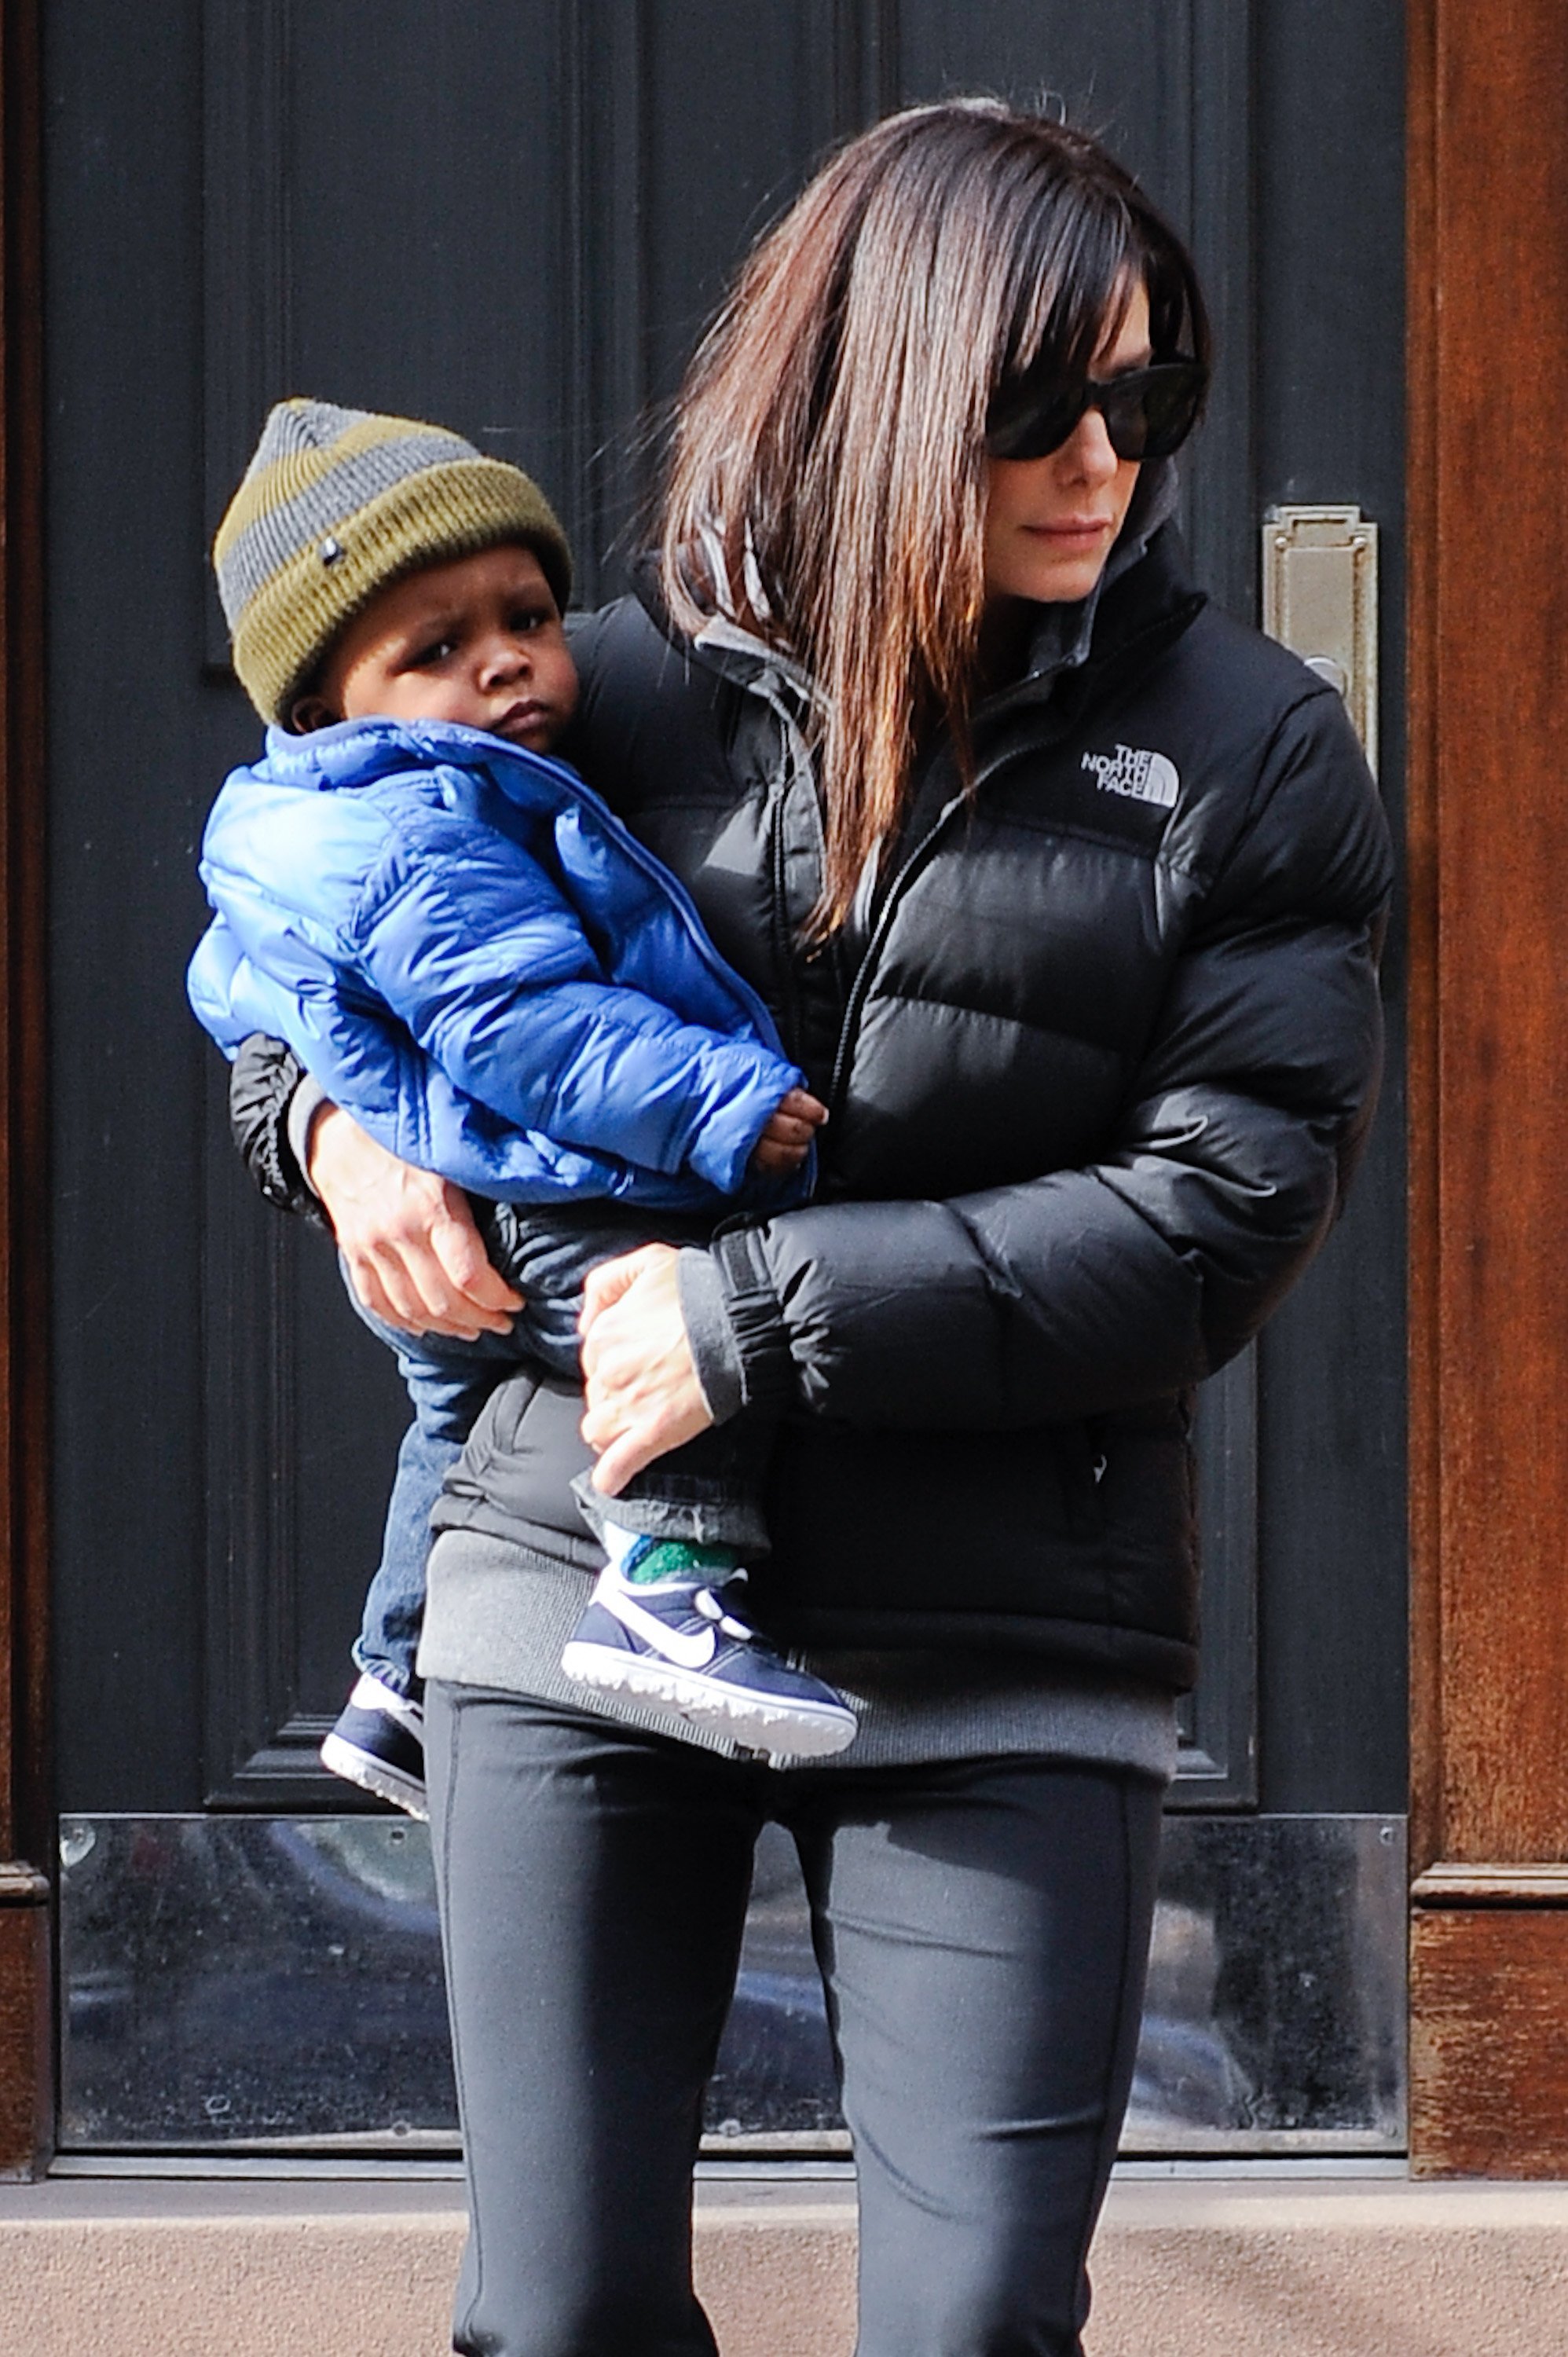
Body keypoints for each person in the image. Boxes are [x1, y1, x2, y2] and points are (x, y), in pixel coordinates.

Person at [229, 101, 1392, 2357]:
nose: (1101, 461)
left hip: (1005, 1631)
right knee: (553, 2317)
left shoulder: (1251, 751)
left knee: (966, 2325)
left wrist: (750, 1320)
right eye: (1034, 405)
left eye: (1142, 399)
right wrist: (331, 1148)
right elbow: (307, 927)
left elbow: (1216, 1211)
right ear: (871, 394)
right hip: (579, 1573)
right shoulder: (586, 689)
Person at [190, 399, 856, 1816]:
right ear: (321, 706)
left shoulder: (336, 805)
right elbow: (523, 1027)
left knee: (453, 1424)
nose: (505, 662)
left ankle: (394, 1686)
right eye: (436, 651)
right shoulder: (417, 825)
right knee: (669, 1318)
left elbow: (233, 969)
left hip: (475, 1179)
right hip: (536, 1183)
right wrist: (717, 1101)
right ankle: (663, 1592)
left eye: (528, 618)